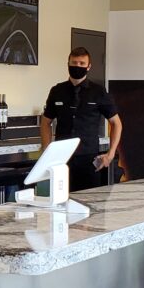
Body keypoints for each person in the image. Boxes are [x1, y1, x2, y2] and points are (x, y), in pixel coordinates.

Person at [39, 47, 123, 191]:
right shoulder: (57, 91)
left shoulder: (99, 92)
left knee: (89, 200)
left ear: (88, 66)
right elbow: (46, 122)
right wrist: (46, 150)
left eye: (82, 63)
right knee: (61, 198)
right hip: (61, 159)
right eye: (74, 63)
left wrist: (110, 154)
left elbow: (116, 124)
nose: (77, 66)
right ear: (68, 64)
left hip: (88, 158)